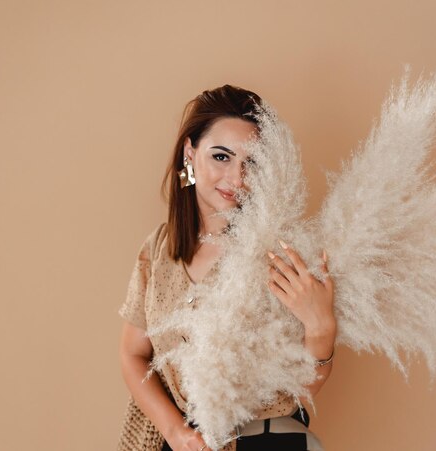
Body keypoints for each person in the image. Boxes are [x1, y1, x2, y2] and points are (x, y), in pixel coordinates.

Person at [118, 85, 336, 451]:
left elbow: (301, 387)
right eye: (222, 157)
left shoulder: (278, 252)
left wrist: (321, 325)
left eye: (251, 163)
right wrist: (175, 432)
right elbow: (133, 353)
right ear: (190, 153)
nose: (237, 180)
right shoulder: (159, 249)